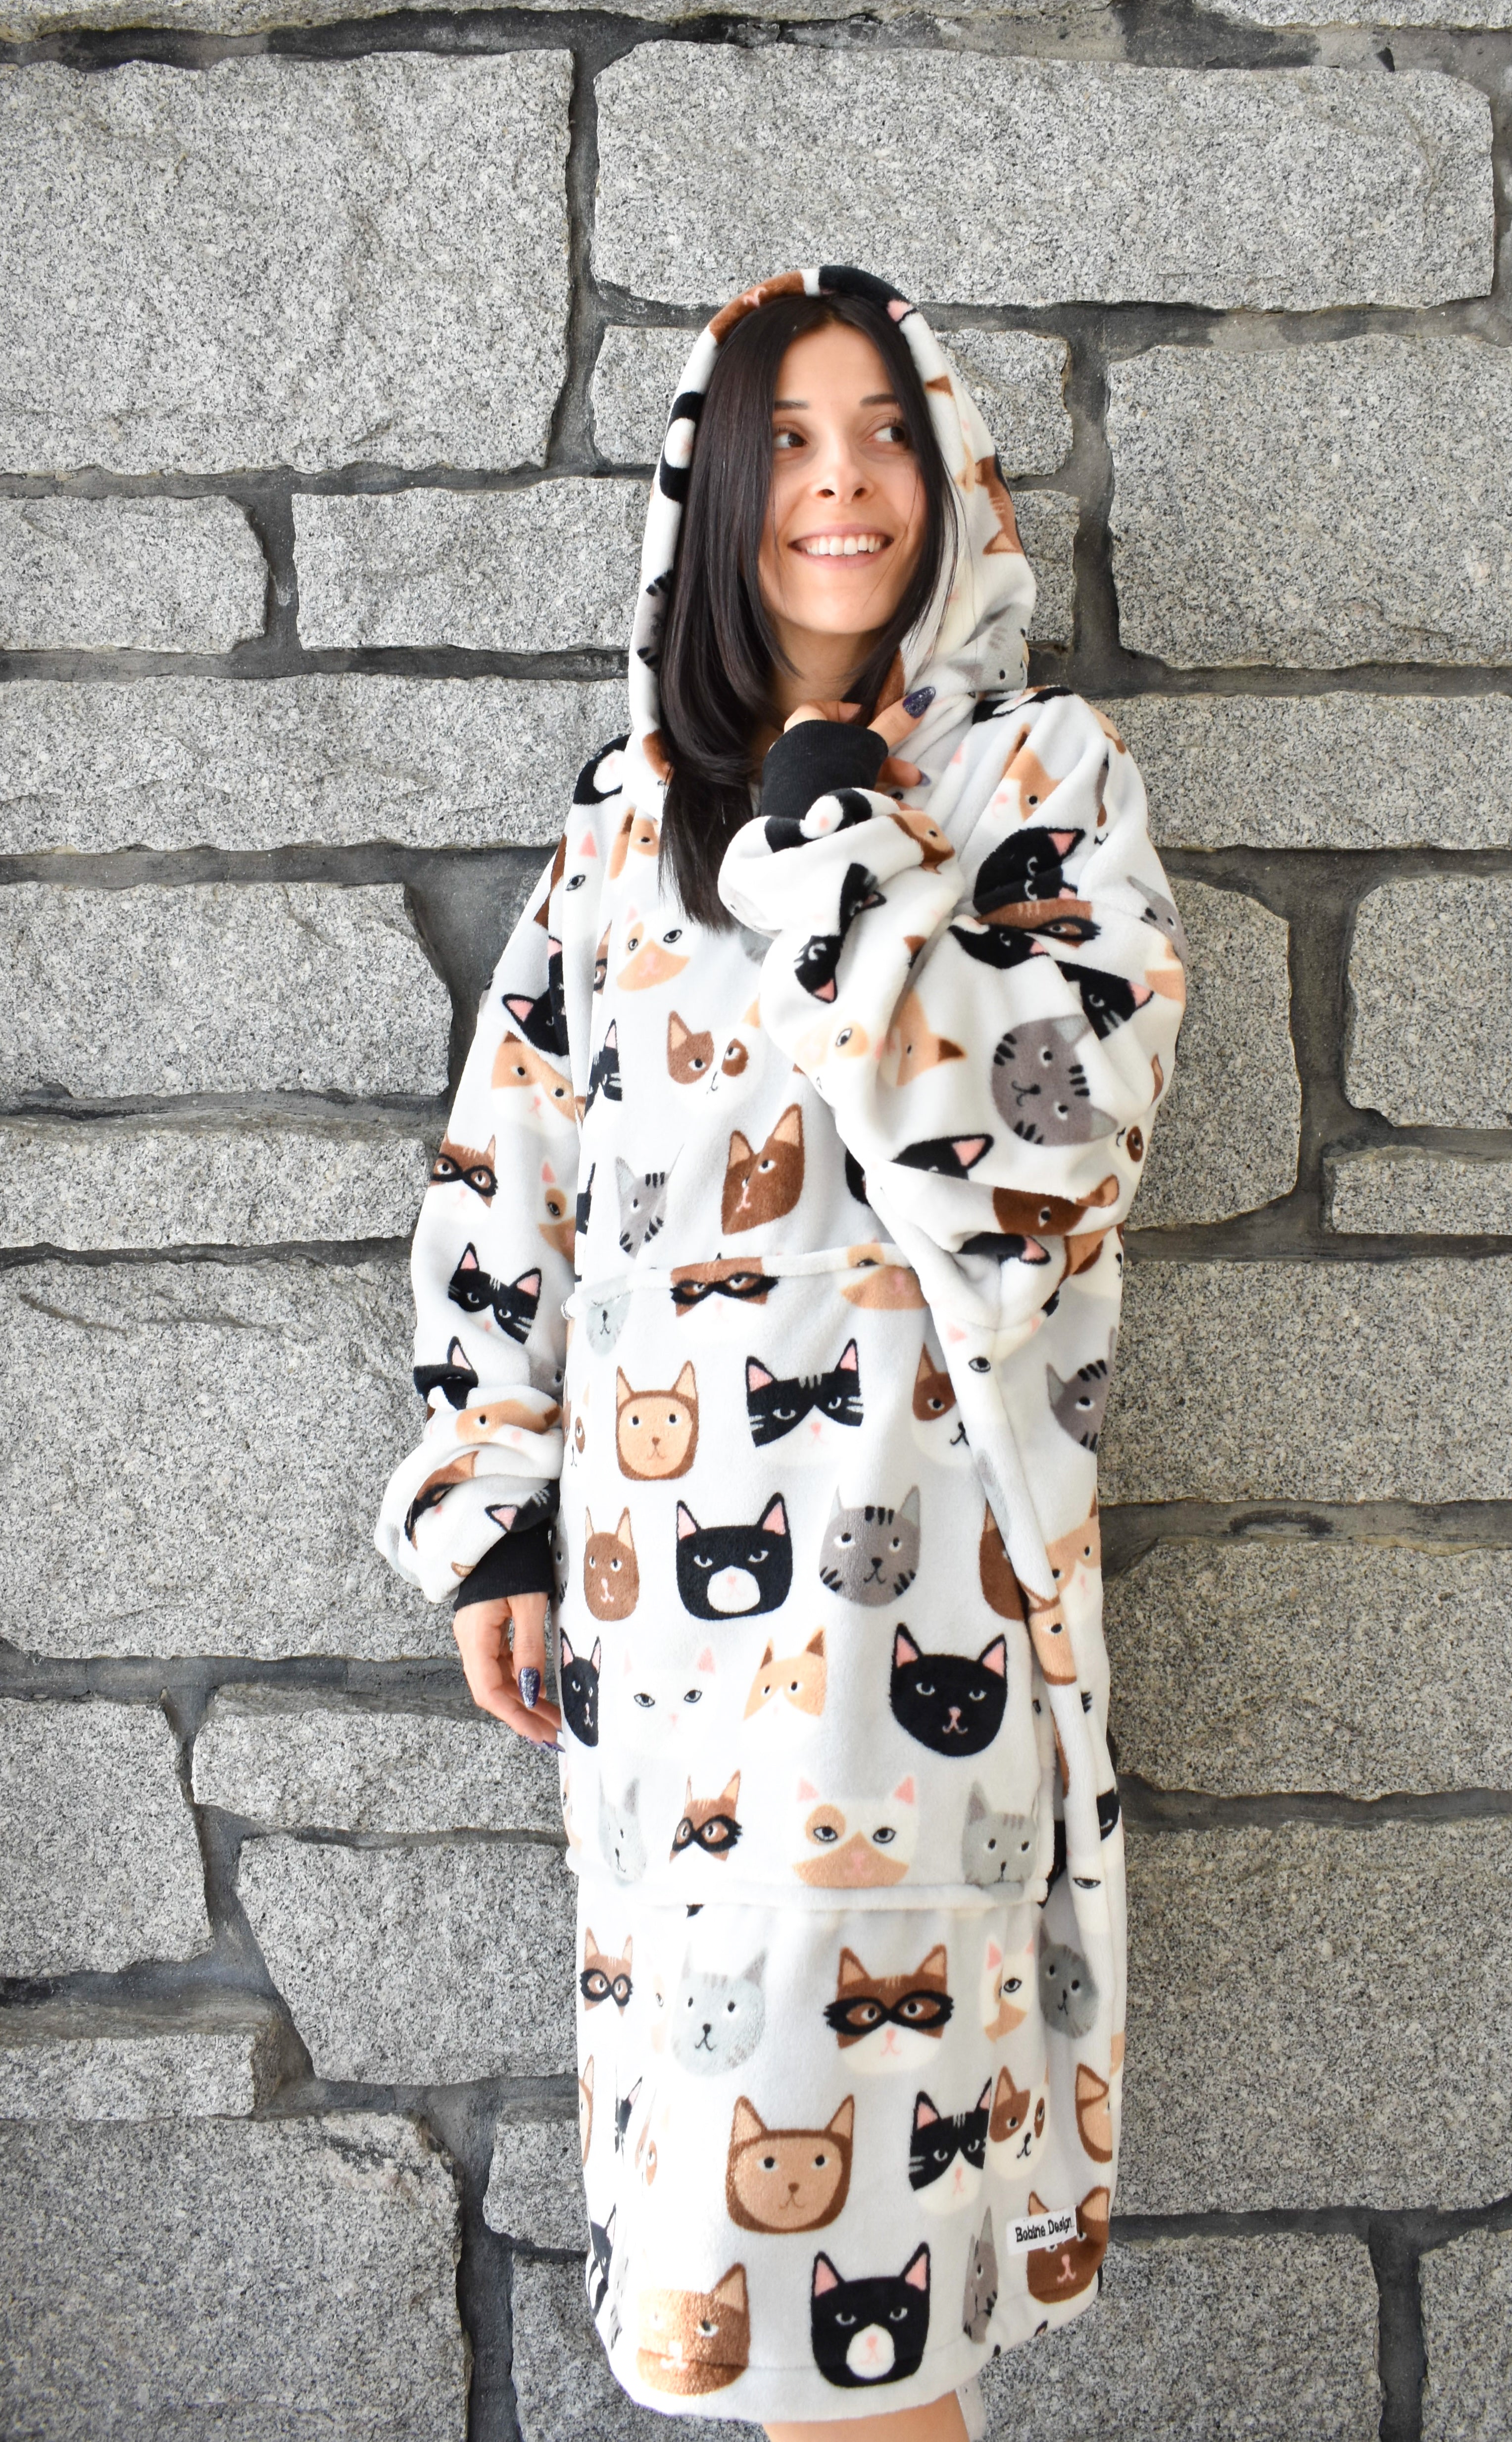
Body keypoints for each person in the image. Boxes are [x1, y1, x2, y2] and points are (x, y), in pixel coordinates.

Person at [376, 264, 1186, 2441]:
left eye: (887, 431)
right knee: (732, 2248)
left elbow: (1051, 1161)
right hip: (659, 1642)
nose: (845, 481)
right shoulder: (625, 822)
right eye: (796, 440)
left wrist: (840, 833)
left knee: (852, 2265)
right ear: (719, 489)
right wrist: (492, 1505)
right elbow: (513, 1166)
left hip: (912, 1628)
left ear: (950, 470)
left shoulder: (1038, 780)